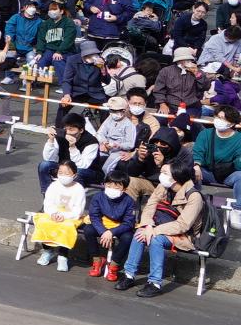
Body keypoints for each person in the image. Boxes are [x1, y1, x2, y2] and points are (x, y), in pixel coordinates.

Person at [113, 158, 206, 298]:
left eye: (164, 172)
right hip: (159, 226)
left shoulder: (194, 196)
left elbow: (183, 225)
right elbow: (150, 206)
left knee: (156, 239)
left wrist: (154, 230)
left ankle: (155, 283)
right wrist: (148, 225)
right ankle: (129, 275)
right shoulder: (163, 187)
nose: (160, 175)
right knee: (140, 232)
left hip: (185, 235)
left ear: (175, 176)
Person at [80, 167, 139, 283]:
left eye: (117, 187)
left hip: (120, 226)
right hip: (102, 224)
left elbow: (128, 222)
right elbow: (94, 216)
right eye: (109, 185)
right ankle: (97, 260)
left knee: (128, 237)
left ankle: (114, 265)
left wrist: (112, 232)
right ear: (104, 184)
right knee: (88, 230)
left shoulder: (129, 201)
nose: (112, 189)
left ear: (124, 189)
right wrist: (103, 231)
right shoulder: (98, 197)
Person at [33, 159, 87, 272]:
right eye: (60, 173)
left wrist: (64, 216)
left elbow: (78, 209)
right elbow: (48, 203)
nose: (63, 176)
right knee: (44, 223)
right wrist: (53, 213)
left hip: (70, 217)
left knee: (66, 227)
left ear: (74, 175)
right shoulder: (53, 186)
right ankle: (48, 251)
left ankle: (63, 256)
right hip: (53, 214)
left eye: (67, 173)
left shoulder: (79, 189)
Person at [190, 104, 241, 197]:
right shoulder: (205, 133)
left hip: (229, 175)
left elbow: (239, 164)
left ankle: (237, 208)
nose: (218, 120)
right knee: (191, 170)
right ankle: (194, 200)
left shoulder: (239, 139)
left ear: (232, 123)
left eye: (222, 118)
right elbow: (198, 151)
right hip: (207, 172)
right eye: (217, 117)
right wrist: (196, 165)